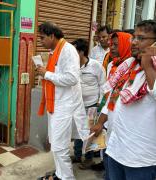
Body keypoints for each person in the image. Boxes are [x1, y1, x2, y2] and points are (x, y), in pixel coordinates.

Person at [92, 20, 156, 180]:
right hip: (115, 149)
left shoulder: (150, 68)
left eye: (141, 38)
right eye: (133, 37)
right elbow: (113, 99)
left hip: (139, 159)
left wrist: (148, 67)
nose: (134, 42)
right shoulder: (129, 66)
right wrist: (100, 122)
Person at [36, 22, 88, 180]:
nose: (41, 41)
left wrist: (47, 74)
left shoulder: (68, 50)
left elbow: (72, 78)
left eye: (42, 38)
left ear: (52, 36)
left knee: (59, 147)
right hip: (56, 106)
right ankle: (60, 174)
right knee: (56, 145)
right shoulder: (55, 51)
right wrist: (45, 73)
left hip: (65, 107)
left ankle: (66, 177)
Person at [91, 31, 132, 178]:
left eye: (116, 45)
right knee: (108, 161)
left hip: (129, 141)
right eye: (111, 44)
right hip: (110, 118)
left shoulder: (134, 71)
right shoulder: (113, 65)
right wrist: (101, 121)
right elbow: (111, 97)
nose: (111, 47)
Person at [71, 38, 106, 169]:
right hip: (76, 105)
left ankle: (89, 159)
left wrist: (99, 104)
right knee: (77, 131)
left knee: (89, 133)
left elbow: (103, 85)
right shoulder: (72, 65)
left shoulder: (96, 66)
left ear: (81, 52)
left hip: (92, 106)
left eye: (74, 51)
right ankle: (78, 155)